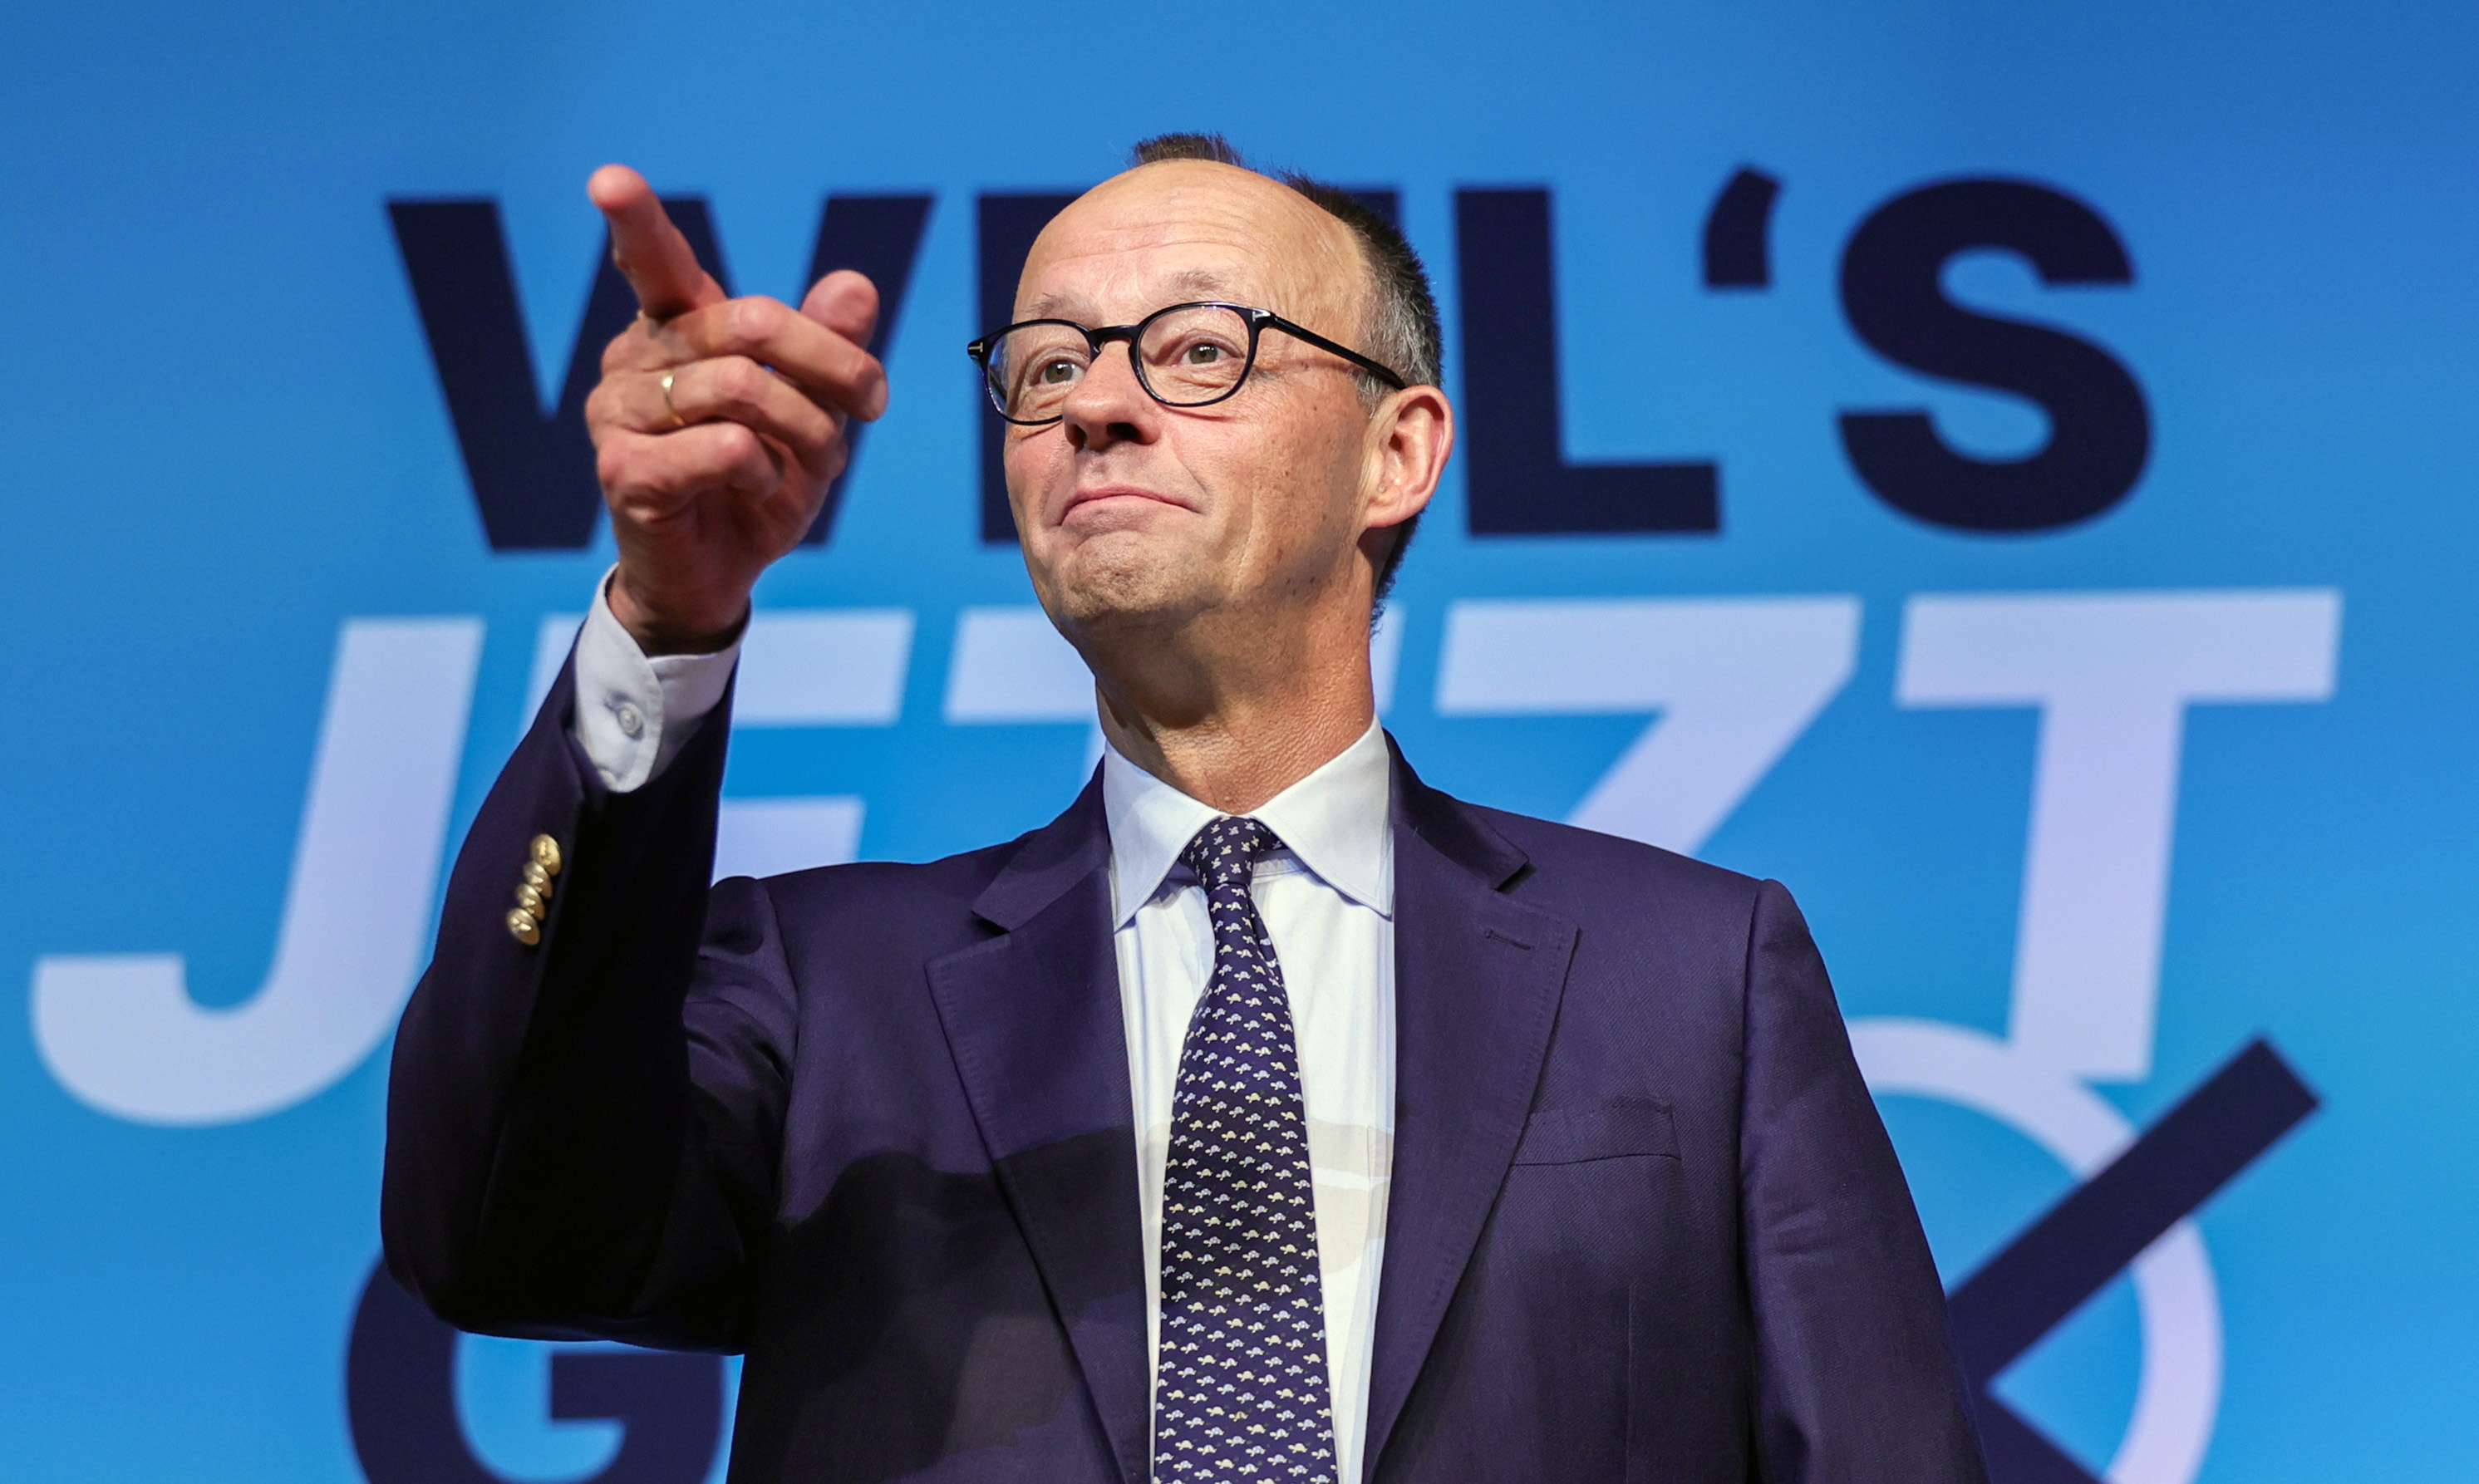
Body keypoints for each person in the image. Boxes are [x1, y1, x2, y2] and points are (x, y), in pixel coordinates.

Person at [384, 134, 1988, 1484]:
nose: (1096, 405)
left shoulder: (1693, 976)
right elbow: (504, 1233)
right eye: (1049, 364)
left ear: (1397, 453)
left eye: (1199, 350)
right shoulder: (831, 982)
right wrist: (668, 622)